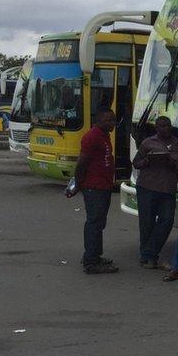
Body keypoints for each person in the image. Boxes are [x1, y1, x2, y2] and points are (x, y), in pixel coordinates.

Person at [132, 116, 178, 268]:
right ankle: (148, 257)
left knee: (167, 221)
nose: (166, 128)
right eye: (162, 126)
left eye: (168, 125)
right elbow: (136, 163)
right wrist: (147, 161)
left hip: (168, 189)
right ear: (156, 129)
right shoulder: (148, 143)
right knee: (146, 223)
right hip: (147, 187)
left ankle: (148, 254)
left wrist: (173, 163)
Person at [71, 108, 119, 274]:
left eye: (113, 120)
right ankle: (91, 261)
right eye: (108, 121)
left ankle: (94, 256)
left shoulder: (104, 135)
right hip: (94, 188)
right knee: (94, 223)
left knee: (99, 223)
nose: (112, 124)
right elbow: (81, 163)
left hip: (104, 186)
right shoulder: (92, 137)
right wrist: (78, 184)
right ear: (98, 121)